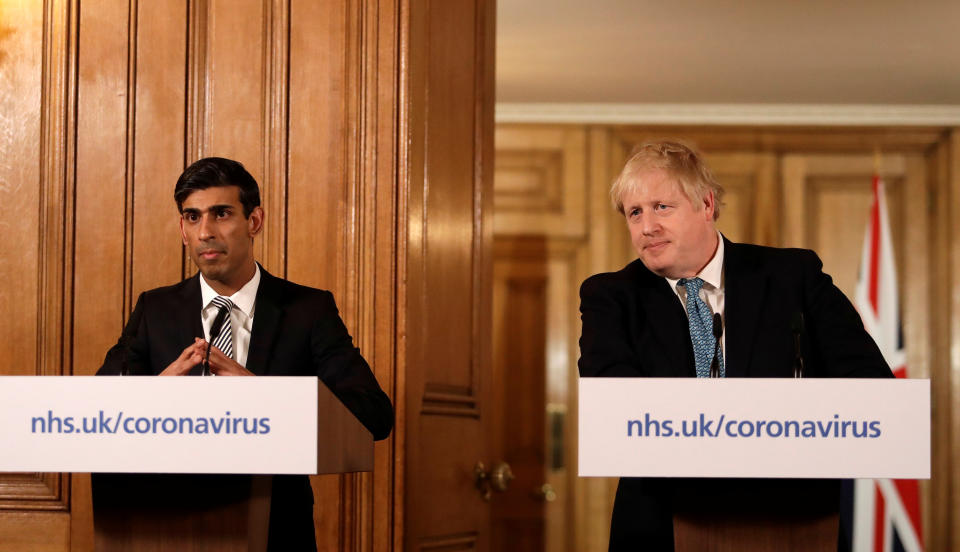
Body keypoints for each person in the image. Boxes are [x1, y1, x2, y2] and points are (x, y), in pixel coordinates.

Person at [577, 141, 893, 551]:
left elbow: (871, 385)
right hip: (663, 522)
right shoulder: (610, 297)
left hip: (793, 519)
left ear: (706, 204)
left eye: (661, 207)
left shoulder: (793, 277)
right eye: (634, 212)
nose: (646, 226)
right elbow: (615, 407)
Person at [98, 157, 393, 551]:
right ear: (181, 229)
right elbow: (100, 408)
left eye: (221, 214)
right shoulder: (153, 309)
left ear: (254, 222)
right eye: (192, 217)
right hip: (164, 526)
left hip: (275, 528)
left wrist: (265, 396)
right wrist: (159, 389)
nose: (205, 232)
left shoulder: (308, 310)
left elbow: (373, 413)